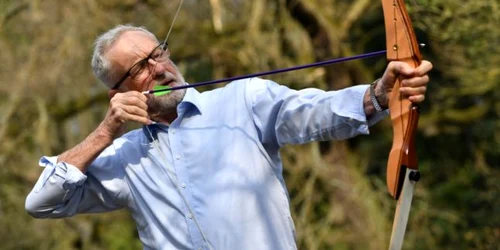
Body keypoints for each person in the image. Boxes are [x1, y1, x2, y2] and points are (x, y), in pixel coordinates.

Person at [25, 24, 433, 250]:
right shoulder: (124, 156)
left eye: (160, 53)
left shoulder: (243, 100)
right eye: (141, 67)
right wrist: (105, 131)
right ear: (119, 93)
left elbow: (316, 112)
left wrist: (380, 94)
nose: (161, 68)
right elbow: (41, 203)